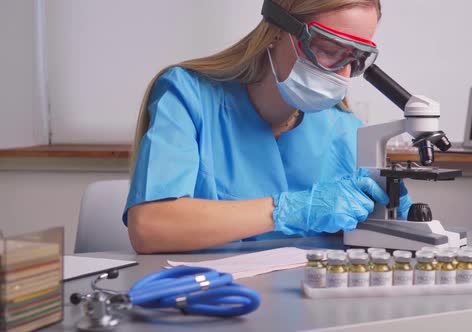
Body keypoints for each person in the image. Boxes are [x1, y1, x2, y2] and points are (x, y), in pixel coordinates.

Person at [124, 0, 412, 254]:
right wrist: (291, 210)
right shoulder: (188, 96)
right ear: (276, 31)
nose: (343, 74)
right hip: (207, 300)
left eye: (356, 58)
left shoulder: (344, 128)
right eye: (328, 49)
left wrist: (391, 219)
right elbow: (150, 227)